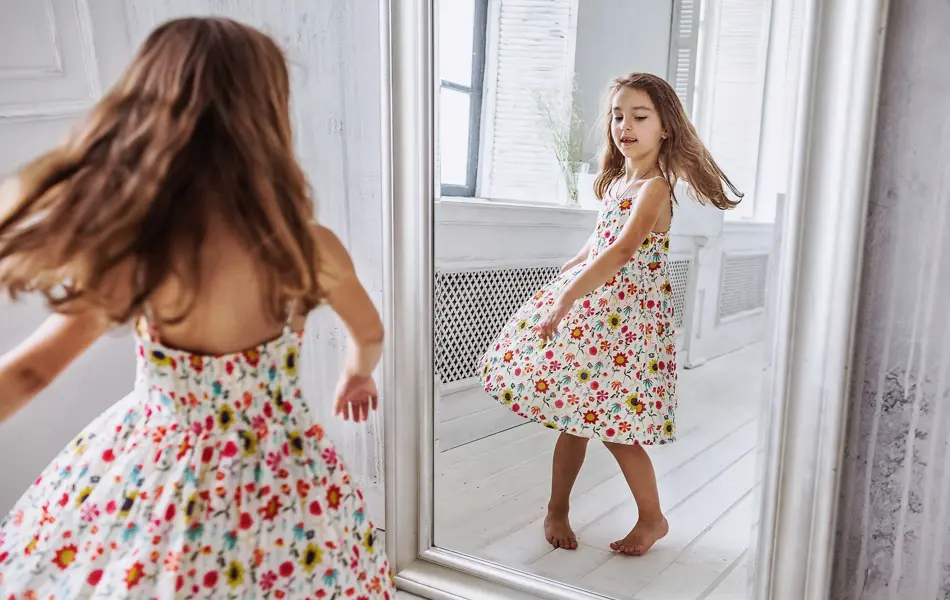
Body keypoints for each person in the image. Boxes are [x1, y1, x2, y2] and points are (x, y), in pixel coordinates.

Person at [0, 17, 394, 599]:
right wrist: (357, 373)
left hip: (161, 474)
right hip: (283, 476)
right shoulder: (307, 248)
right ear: (268, 121)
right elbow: (370, 331)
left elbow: (29, 371)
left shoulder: (145, 254)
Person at [479, 72, 742, 556]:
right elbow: (599, 242)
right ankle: (557, 507)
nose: (625, 125)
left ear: (665, 127)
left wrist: (567, 296)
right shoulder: (621, 181)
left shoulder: (656, 188)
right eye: (618, 116)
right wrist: (574, 265)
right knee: (573, 420)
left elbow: (622, 251)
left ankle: (652, 518)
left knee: (616, 430)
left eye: (640, 116)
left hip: (624, 327)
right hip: (596, 316)